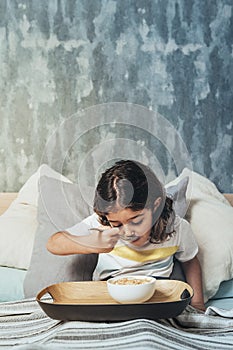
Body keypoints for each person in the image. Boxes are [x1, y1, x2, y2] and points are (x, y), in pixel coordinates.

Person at [47, 160, 205, 311]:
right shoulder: (101, 225)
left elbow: (190, 262)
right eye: (117, 225)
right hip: (109, 299)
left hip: (157, 299)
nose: (128, 232)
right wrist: (88, 243)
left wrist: (198, 303)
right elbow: (53, 244)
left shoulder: (177, 228)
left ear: (155, 205)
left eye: (136, 221)